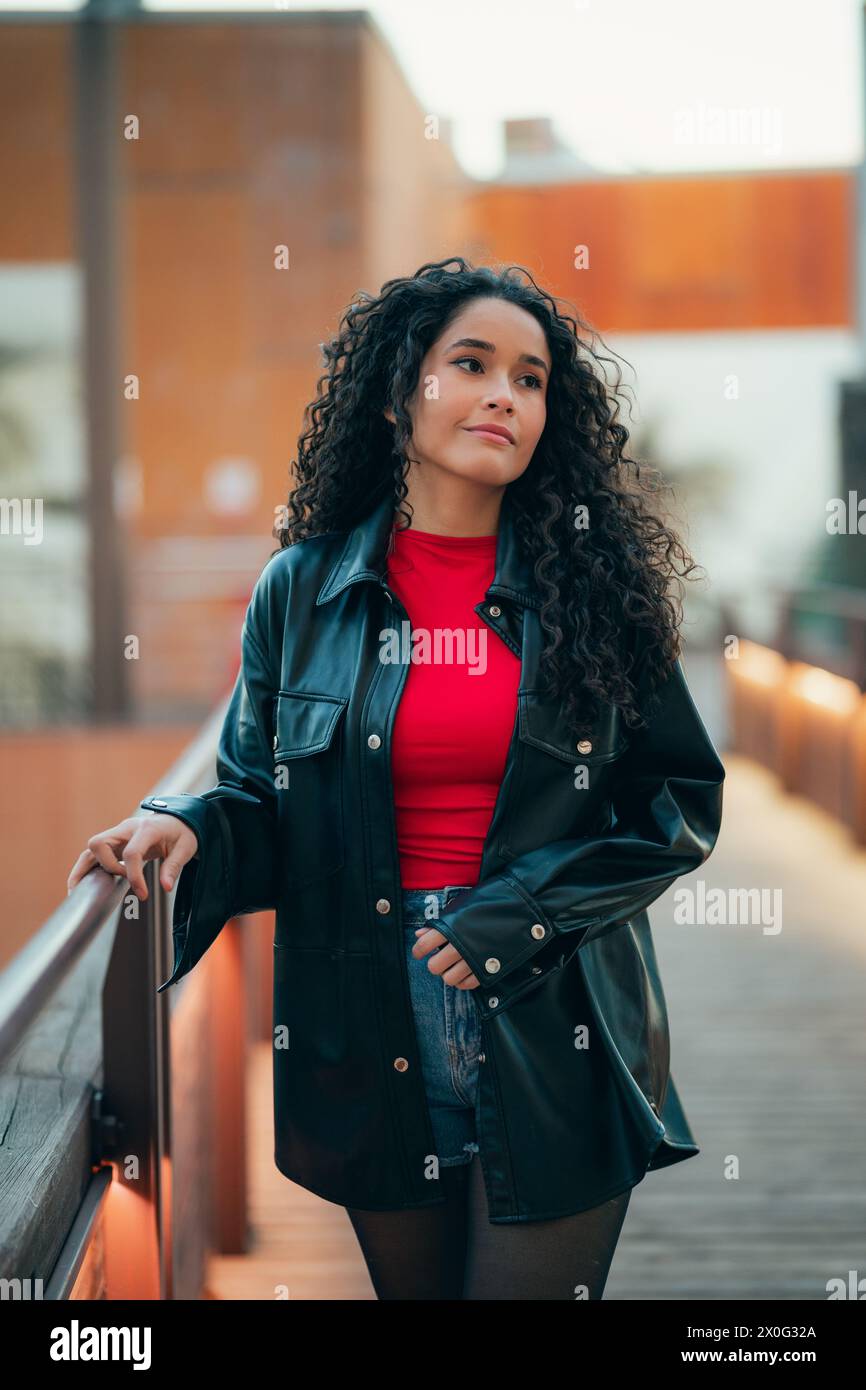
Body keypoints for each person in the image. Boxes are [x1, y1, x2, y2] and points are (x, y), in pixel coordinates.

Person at [68, 256, 725, 1300]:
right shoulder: (305, 587)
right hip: (365, 1014)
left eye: (531, 377)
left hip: (553, 1014)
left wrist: (523, 916)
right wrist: (186, 823)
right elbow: (257, 790)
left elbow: (677, 804)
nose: (505, 394)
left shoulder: (598, 593)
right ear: (396, 391)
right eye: (471, 364)